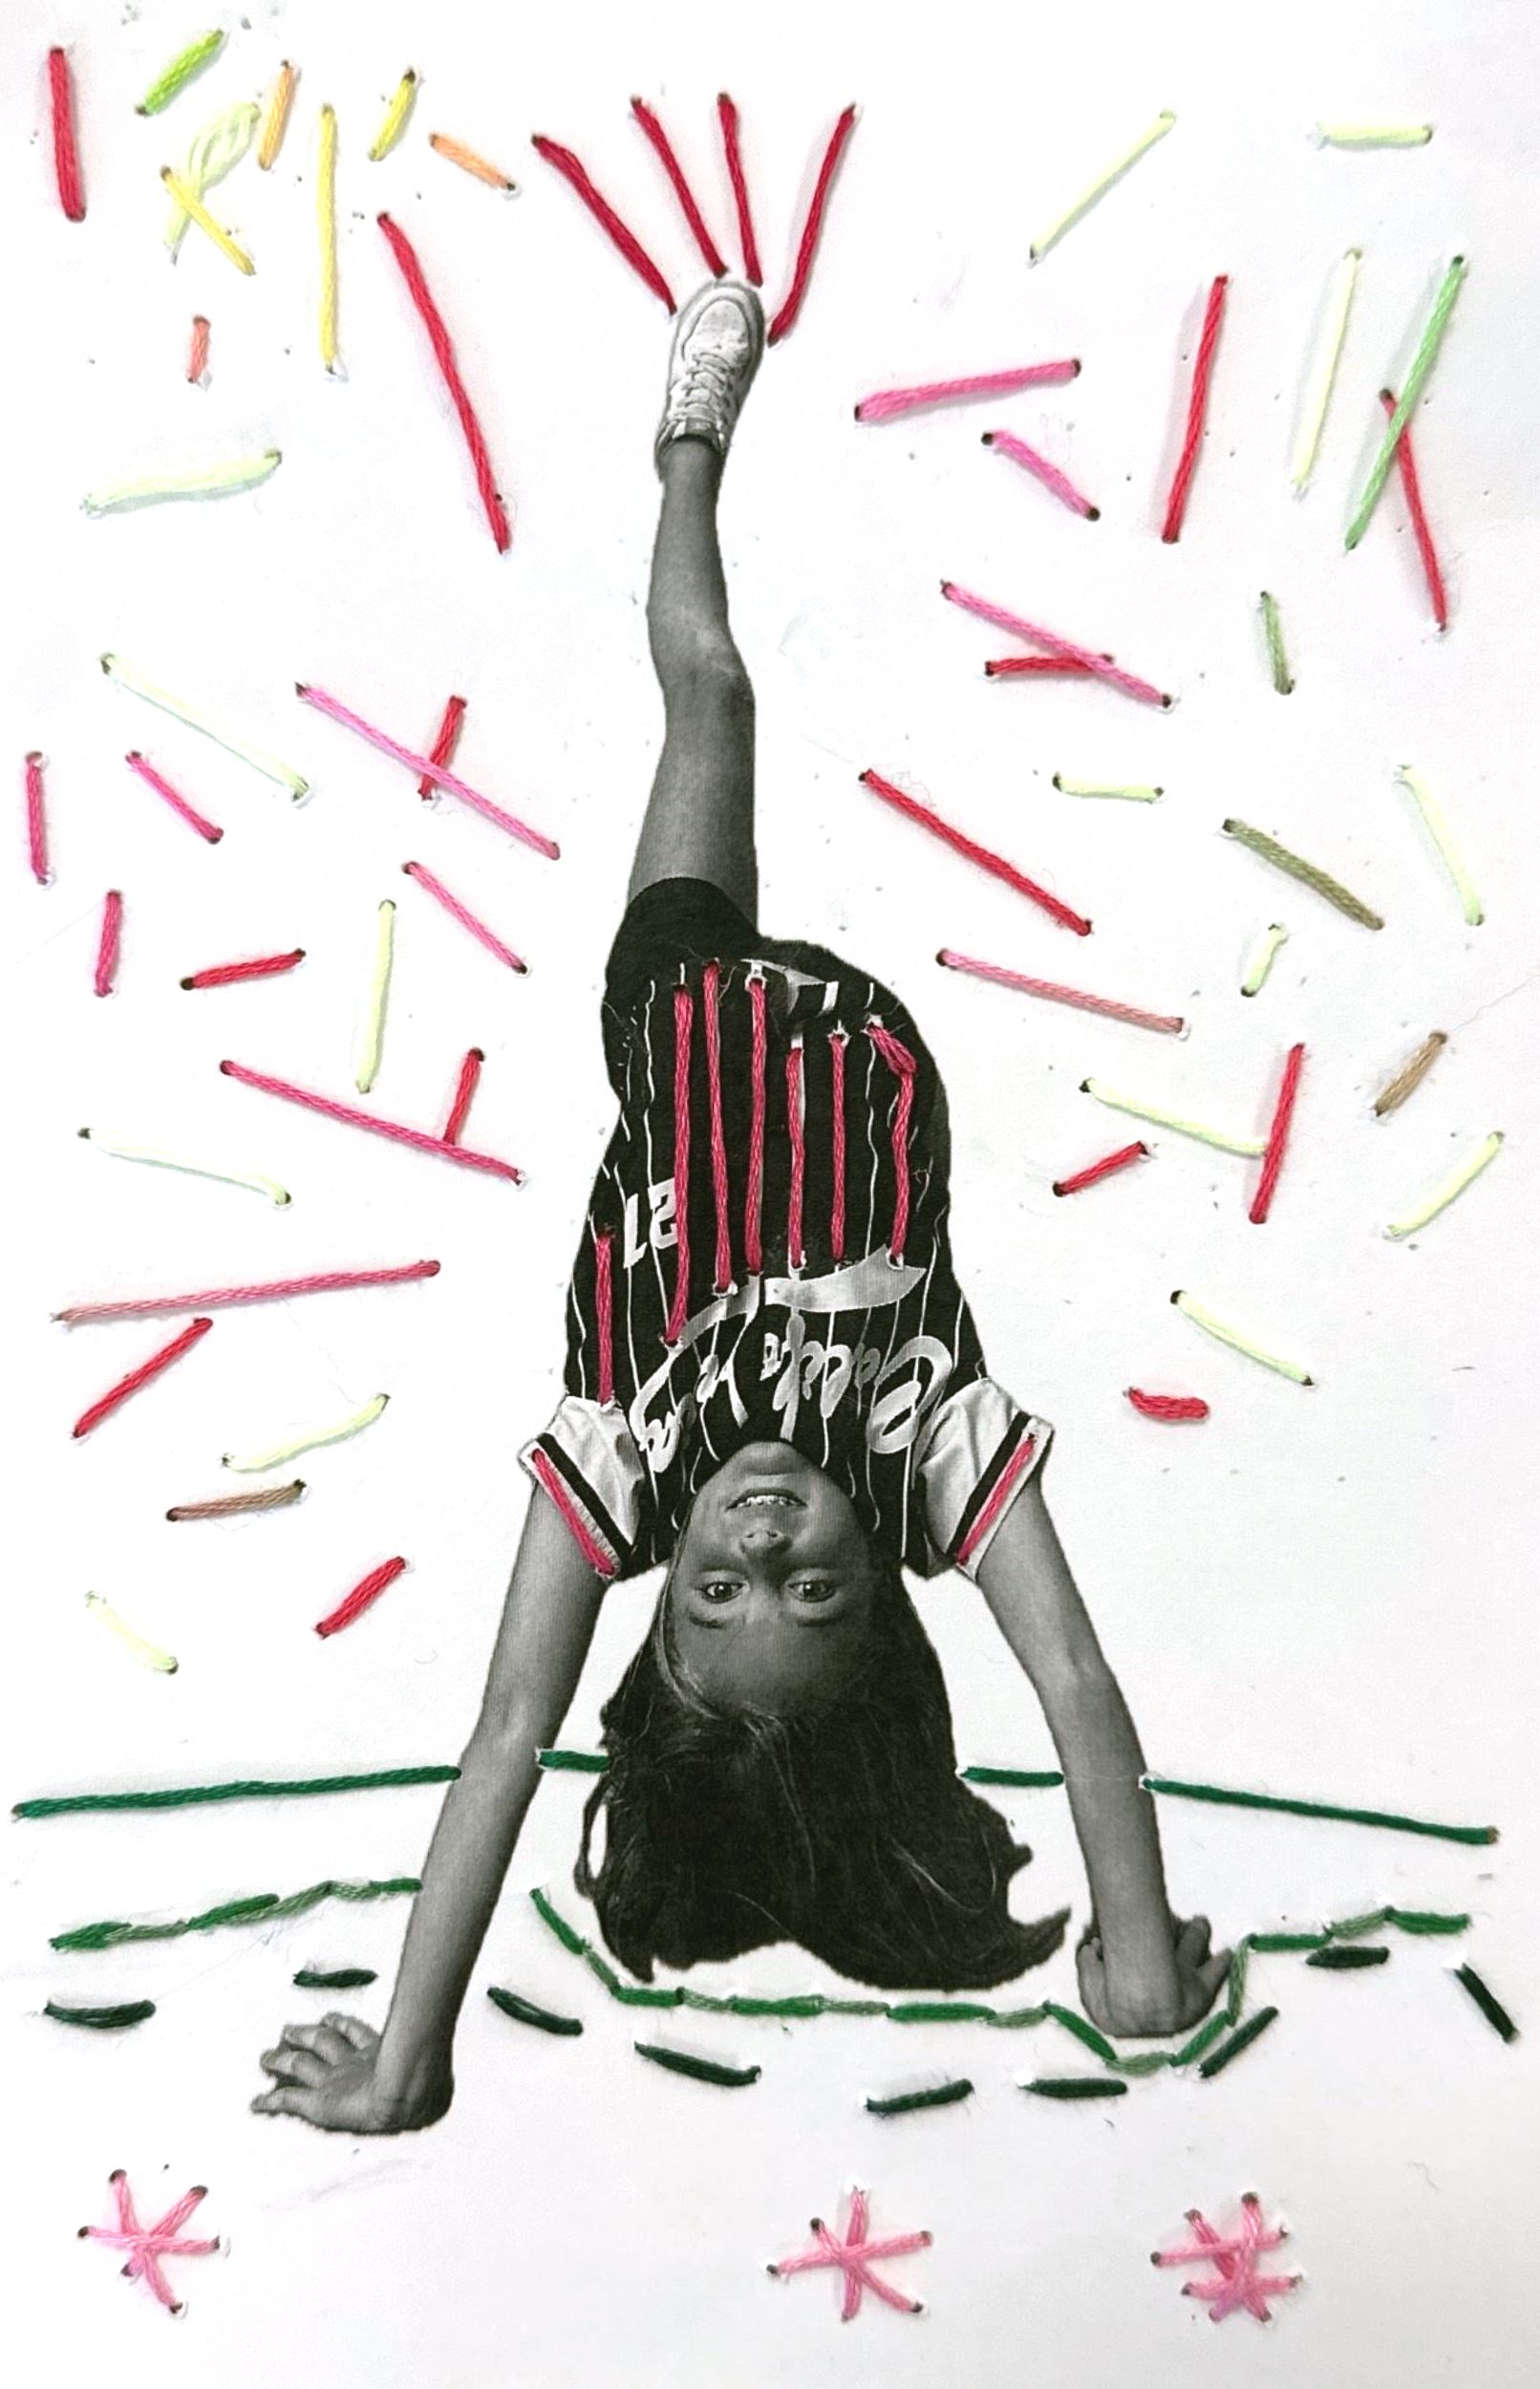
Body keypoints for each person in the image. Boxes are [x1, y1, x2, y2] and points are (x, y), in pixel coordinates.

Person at [254, 281, 1230, 2133]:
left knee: (711, 688)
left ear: (662, 1611)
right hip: (861, 1048)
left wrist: (406, 2055)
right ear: (890, 1603)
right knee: (754, 704)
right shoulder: (927, 1452)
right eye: (812, 1584)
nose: (763, 1533)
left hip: (687, 1006)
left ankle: (686, 444)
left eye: (717, 1588)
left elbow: (503, 1736)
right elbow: (1078, 1677)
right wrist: (1132, 1952)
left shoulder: (616, 1462)